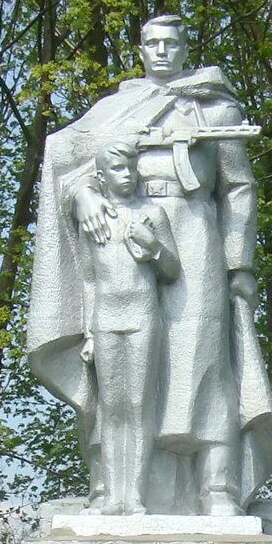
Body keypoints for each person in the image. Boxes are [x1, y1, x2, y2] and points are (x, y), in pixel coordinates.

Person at [25, 14, 272, 516]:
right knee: (116, 375)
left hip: (195, 231)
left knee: (205, 359)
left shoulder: (215, 106)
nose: (162, 52)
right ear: (140, 50)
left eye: (171, 44)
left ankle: (217, 487)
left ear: (186, 49)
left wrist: (239, 265)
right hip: (124, 232)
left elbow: (238, 188)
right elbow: (64, 157)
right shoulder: (115, 108)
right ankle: (111, 486)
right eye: (152, 44)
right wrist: (81, 196)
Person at [76, 139, 177, 515]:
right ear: (101, 177)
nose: (128, 175)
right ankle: (111, 493)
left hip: (142, 317)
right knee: (112, 408)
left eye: (132, 168)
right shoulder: (94, 219)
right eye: (119, 169)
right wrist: (88, 332)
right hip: (105, 320)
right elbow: (88, 279)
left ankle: (134, 494)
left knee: (138, 406)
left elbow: (172, 269)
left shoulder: (152, 214)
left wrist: (152, 247)